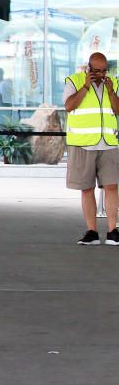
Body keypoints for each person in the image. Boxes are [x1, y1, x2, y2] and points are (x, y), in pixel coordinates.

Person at [65, 53, 119, 245]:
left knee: (112, 186)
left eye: (104, 70)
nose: (101, 74)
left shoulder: (113, 83)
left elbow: (118, 110)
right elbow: (69, 106)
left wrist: (112, 92)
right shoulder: (74, 81)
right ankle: (92, 232)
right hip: (82, 143)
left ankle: (113, 230)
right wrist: (85, 87)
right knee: (86, 188)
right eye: (97, 70)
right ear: (88, 68)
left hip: (108, 142)